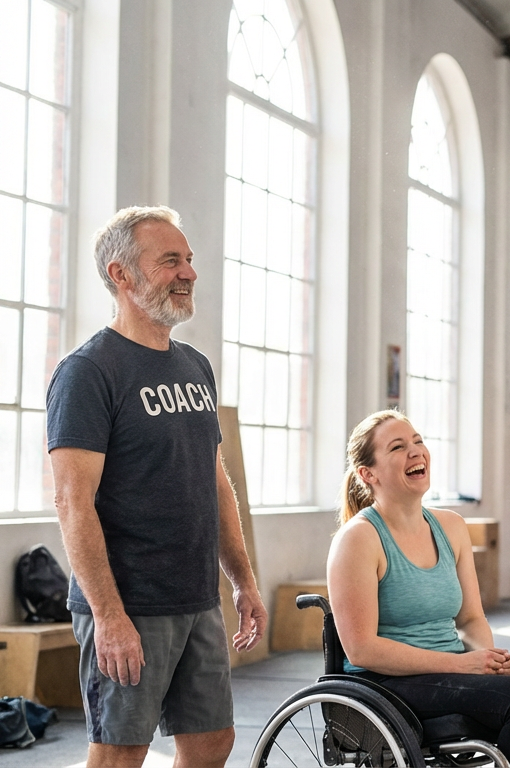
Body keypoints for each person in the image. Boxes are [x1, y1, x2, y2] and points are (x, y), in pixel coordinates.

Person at [47, 206, 267, 768]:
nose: (189, 272)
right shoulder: (88, 372)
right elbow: (74, 503)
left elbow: (214, 481)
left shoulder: (195, 367)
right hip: (130, 603)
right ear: (121, 274)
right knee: (121, 753)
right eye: (170, 260)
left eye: (189, 259)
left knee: (212, 742)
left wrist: (242, 582)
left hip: (196, 598)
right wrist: (108, 615)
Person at [327, 410, 510, 768]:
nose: (416, 452)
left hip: (450, 668)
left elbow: (471, 617)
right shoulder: (358, 539)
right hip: (386, 682)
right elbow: (362, 649)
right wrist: (462, 665)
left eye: (417, 441)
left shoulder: (451, 526)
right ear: (368, 474)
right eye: (398, 447)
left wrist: (487, 660)